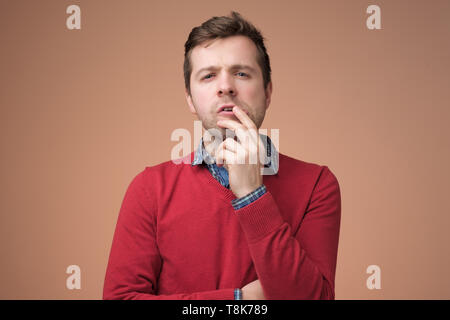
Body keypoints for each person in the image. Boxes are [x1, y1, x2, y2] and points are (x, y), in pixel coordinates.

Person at [103, 11, 341, 300]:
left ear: (267, 92)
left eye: (241, 73)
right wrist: (238, 300)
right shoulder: (149, 188)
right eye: (208, 75)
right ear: (190, 99)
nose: (226, 86)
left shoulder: (317, 184)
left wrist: (252, 194)